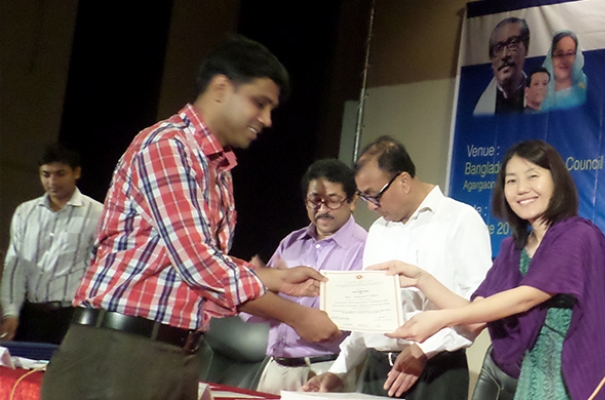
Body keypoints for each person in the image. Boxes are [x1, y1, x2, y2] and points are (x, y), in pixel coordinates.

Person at [40, 35, 341, 400]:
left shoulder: (217, 168)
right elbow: (198, 264)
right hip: (119, 352)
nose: (266, 120)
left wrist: (274, 278)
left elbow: (189, 261)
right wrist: (297, 316)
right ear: (221, 88)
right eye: (259, 103)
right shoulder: (168, 146)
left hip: (172, 353)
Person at [379, 140, 605, 400]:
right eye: (511, 180)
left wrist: (441, 319)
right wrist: (422, 279)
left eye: (532, 176)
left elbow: (526, 297)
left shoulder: (578, 235)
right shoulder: (514, 248)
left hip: (581, 380)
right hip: (532, 381)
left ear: (556, 181)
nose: (521, 189)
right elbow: (475, 316)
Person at [302, 136, 491, 399]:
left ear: (403, 181)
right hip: (378, 370)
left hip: (437, 371)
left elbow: (479, 309)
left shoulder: (460, 220)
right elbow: (369, 314)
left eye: (375, 195)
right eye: (364, 197)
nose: (371, 206)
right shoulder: (379, 230)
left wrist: (423, 351)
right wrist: (339, 370)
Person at [246, 159, 368, 394]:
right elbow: (254, 305)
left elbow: (336, 325)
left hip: (325, 371)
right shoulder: (291, 242)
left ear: (353, 201)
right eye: (315, 200)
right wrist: (262, 283)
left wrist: (274, 295)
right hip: (275, 367)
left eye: (333, 200)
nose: (322, 209)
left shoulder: (364, 248)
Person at [1, 145, 103, 345]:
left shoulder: (97, 213)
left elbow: (101, 269)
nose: (52, 181)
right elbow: (15, 267)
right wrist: (10, 312)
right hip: (30, 314)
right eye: (46, 174)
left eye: (60, 174)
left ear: (77, 172)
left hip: (72, 316)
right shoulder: (25, 212)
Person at [474, 17, 530, 116]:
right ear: (491, 59)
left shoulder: (544, 99)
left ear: (526, 49)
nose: (504, 55)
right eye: (498, 48)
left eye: (512, 44)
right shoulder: (477, 107)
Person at [540, 30, 587, 111]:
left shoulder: (585, 85)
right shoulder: (538, 89)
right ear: (551, 58)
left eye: (570, 54)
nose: (564, 60)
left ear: (576, 57)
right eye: (559, 54)